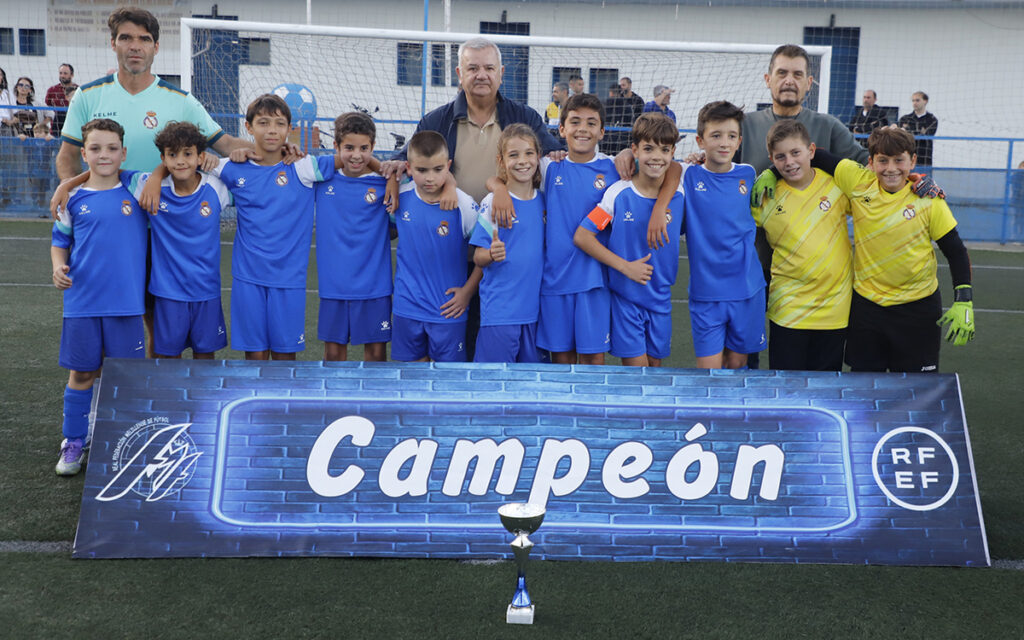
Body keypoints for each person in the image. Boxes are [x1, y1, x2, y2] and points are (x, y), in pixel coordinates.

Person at [55, 7, 264, 358]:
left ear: (156, 47)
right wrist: (70, 188)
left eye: (144, 39)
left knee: (156, 317)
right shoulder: (88, 96)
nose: (135, 46)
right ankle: (110, 397)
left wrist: (272, 150)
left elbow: (224, 144)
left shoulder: (178, 100)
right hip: (110, 224)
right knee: (113, 313)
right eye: (126, 38)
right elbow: (68, 155)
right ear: (113, 44)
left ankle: (156, 401)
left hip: (161, 223)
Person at [195, 94, 337, 361]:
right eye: (263, 123)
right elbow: (186, 160)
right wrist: (157, 177)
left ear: (289, 130)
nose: (272, 130)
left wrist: (387, 169)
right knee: (256, 356)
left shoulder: (304, 167)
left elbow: (353, 161)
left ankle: (281, 404)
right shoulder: (232, 168)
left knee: (285, 357)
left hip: (289, 279)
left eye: (279, 123)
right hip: (248, 278)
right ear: (248, 128)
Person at [50, 118, 147, 475]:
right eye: (95, 148)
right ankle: (74, 441)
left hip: (126, 304)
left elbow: (165, 169)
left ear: (123, 153)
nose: (103, 155)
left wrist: (70, 179)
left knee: (126, 377)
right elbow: (60, 243)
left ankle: (123, 441)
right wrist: (58, 267)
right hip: (83, 304)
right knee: (82, 373)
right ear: (83, 153)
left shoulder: (136, 186)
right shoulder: (72, 200)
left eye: (111, 148)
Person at [574, 113, 685, 367]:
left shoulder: (679, 192)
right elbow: (583, 236)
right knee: (637, 373)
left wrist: (660, 207)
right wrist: (626, 267)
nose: (656, 157)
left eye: (664, 150)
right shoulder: (618, 193)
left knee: (655, 370)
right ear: (634, 150)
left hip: (660, 300)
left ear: (672, 152)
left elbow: (677, 169)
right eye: (648, 149)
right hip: (627, 299)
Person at [751, 120, 851, 371]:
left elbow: (880, 193)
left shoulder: (838, 185)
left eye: (796, 153)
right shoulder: (764, 196)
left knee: (825, 392)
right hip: (788, 309)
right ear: (771, 159)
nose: (789, 162)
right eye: (780, 157)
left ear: (812, 151)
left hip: (834, 310)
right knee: (785, 392)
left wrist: (918, 182)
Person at [683, 101, 766, 369]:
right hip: (706, 292)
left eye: (731, 136)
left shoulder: (749, 174)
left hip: (746, 287)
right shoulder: (687, 174)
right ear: (700, 140)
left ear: (739, 141)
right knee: (708, 373)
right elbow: (654, 164)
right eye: (716, 135)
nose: (724, 143)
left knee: (737, 365)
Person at [392, 130, 480, 362]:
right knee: (409, 376)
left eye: (438, 169)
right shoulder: (399, 196)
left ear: (448, 166)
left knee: (448, 382)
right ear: (408, 168)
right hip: (406, 306)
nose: (430, 177)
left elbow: (487, 251)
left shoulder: (464, 205)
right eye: (422, 170)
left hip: (449, 310)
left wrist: (467, 293)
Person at [315, 112, 394, 362]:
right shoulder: (319, 180)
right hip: (334, 286)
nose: (357, 155)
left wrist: (385, 171)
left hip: (374, 286)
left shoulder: (385, 184)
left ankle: (374, 401)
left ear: (372, 147)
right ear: (336, 146)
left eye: (364, 148)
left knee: (376, 351)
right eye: (349, 147)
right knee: (334, 353)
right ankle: (335, 402)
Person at [469, 124, 545, 363]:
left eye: (528, 153)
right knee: (492, 384)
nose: (522, 161)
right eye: (514, 155)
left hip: (535, 314)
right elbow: (478, 257)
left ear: (538, 157)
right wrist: (491, 253)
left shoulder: (544, 200)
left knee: (531, 388)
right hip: (501, 314)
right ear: (501, 161)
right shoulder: (492, 201)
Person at [739, 44, 868, 174]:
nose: (789, 81)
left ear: (809, 83)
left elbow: (869, 164)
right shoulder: (744, 126)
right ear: (768, 80)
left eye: (797, 74)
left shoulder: (828, 127)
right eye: (782, 73)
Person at [897, 91, 939, 166]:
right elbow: (901, 136)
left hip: (924, 157)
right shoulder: (905, 118)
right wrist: (920, 131)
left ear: (925, 101)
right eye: (913, 100)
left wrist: (908, 131)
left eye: (917, 100)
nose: (915, 103)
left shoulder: (932, 119)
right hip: (908, 156)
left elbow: (927, 135)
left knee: (924, 177)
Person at [45, 63, 76, 137]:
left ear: (72, 75)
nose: (62, 75)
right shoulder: (52, 90)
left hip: (74, 128)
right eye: (60, 73)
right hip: (57, 129)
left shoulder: (78, 90)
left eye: (65, 73)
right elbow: (47, 110)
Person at [603, 84, 630, 156]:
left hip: (606, 141)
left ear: (611, 93)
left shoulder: (604, 105)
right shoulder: (627, 106)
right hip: (622, 141)